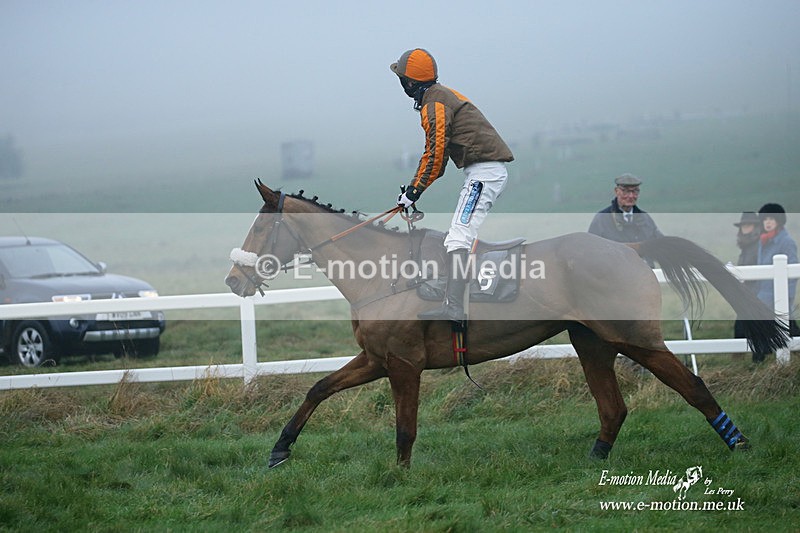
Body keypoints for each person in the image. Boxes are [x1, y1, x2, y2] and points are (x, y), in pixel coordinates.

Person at [390, 48, 514, 321]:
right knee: (458, 235)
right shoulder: (439, 95)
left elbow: (436, 154)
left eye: (401, 79)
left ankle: (454, 309)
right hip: (481, 171)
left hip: (485, 173)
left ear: (409, 83)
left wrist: (413, 191)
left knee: (458, 237)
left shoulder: (434, 104)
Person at [752, 203, 799, 362]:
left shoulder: (786, 242)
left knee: (788, 327)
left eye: (771, 218)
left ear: (779, 220)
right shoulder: (763, 240)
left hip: (779, 295)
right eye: (765, 219)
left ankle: (759, 359)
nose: (768, 222)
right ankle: (759, 359)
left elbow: (792, 272)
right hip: (764, 294)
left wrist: (787, 296)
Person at [588, 174, 663, 243]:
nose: (631, 196)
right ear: (616, 191)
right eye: (626, 191)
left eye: (635, 191)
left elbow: (660, 244)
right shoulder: (602, 219)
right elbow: (591, 247)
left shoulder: (646, 219)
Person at [732, 211, 761, 339]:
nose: (745, 228)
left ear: (755, 227)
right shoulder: (746, 246)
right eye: (744, 226)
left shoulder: (758, 246)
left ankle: (741, 356)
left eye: (749, 225)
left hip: (755, 293)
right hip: (746, 293)